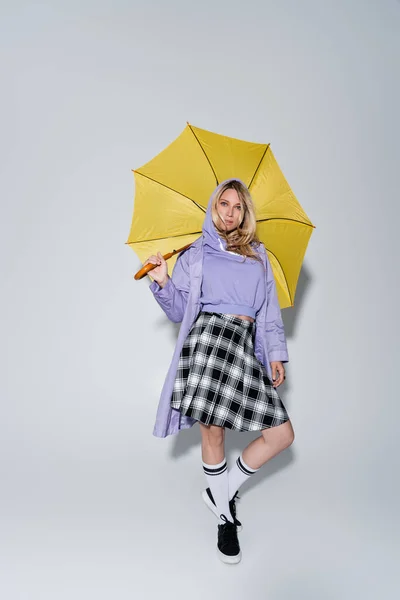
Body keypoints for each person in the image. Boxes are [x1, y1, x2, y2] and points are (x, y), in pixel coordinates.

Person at [143, 178, 295, 565]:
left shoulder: (259, 257)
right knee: (214, 431)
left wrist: (274, 354)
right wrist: (162, 282)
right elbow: (179, 311)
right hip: (208, 342)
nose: (229, 212)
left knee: (281, 433)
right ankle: (225, 518)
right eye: (223, 204)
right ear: (213, 208)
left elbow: (269, 315)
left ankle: (220, 491)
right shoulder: (197, 254)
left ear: (245, 214)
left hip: (242, 345)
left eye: (237, 207)